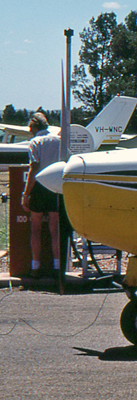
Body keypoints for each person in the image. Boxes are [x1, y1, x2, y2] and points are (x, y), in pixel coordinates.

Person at [20, 112, 62, 279]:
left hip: (39, 187)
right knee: (55, 229)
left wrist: (26, 193)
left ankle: (35, 266)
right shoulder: (58, 141)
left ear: (33, 127)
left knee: (35, 229)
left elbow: (34, 167)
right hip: (55, 186)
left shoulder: (35, 142)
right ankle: (58, 266)